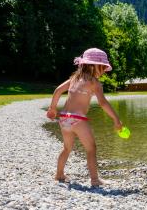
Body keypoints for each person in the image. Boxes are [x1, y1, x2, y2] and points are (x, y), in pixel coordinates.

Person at [46, 48, 123, 186]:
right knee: (91, 148)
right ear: (93, 65)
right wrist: (116, 119)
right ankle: (94, 180)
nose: (105, 70)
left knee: (67, 148)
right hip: (78, 119)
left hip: (64, 119)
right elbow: (103, 103)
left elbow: (58, 90)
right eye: (103, 67)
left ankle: (59, 174)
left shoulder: (74, 78)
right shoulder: (95, 83)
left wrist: (52, 109)